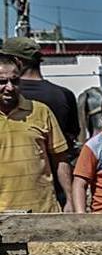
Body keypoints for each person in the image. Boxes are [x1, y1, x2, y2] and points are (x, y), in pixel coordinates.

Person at [0, 53, 73, 213]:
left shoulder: (41, 111)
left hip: (42, 213)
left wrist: (70, 198)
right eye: (2, 82)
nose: (10, 87)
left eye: (15, 80)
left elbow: (60, 158)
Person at [1, 36, 80, 152]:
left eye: (5, 60)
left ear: (17, 62)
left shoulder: (7, 94)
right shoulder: (64, 94)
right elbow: (72, 134)